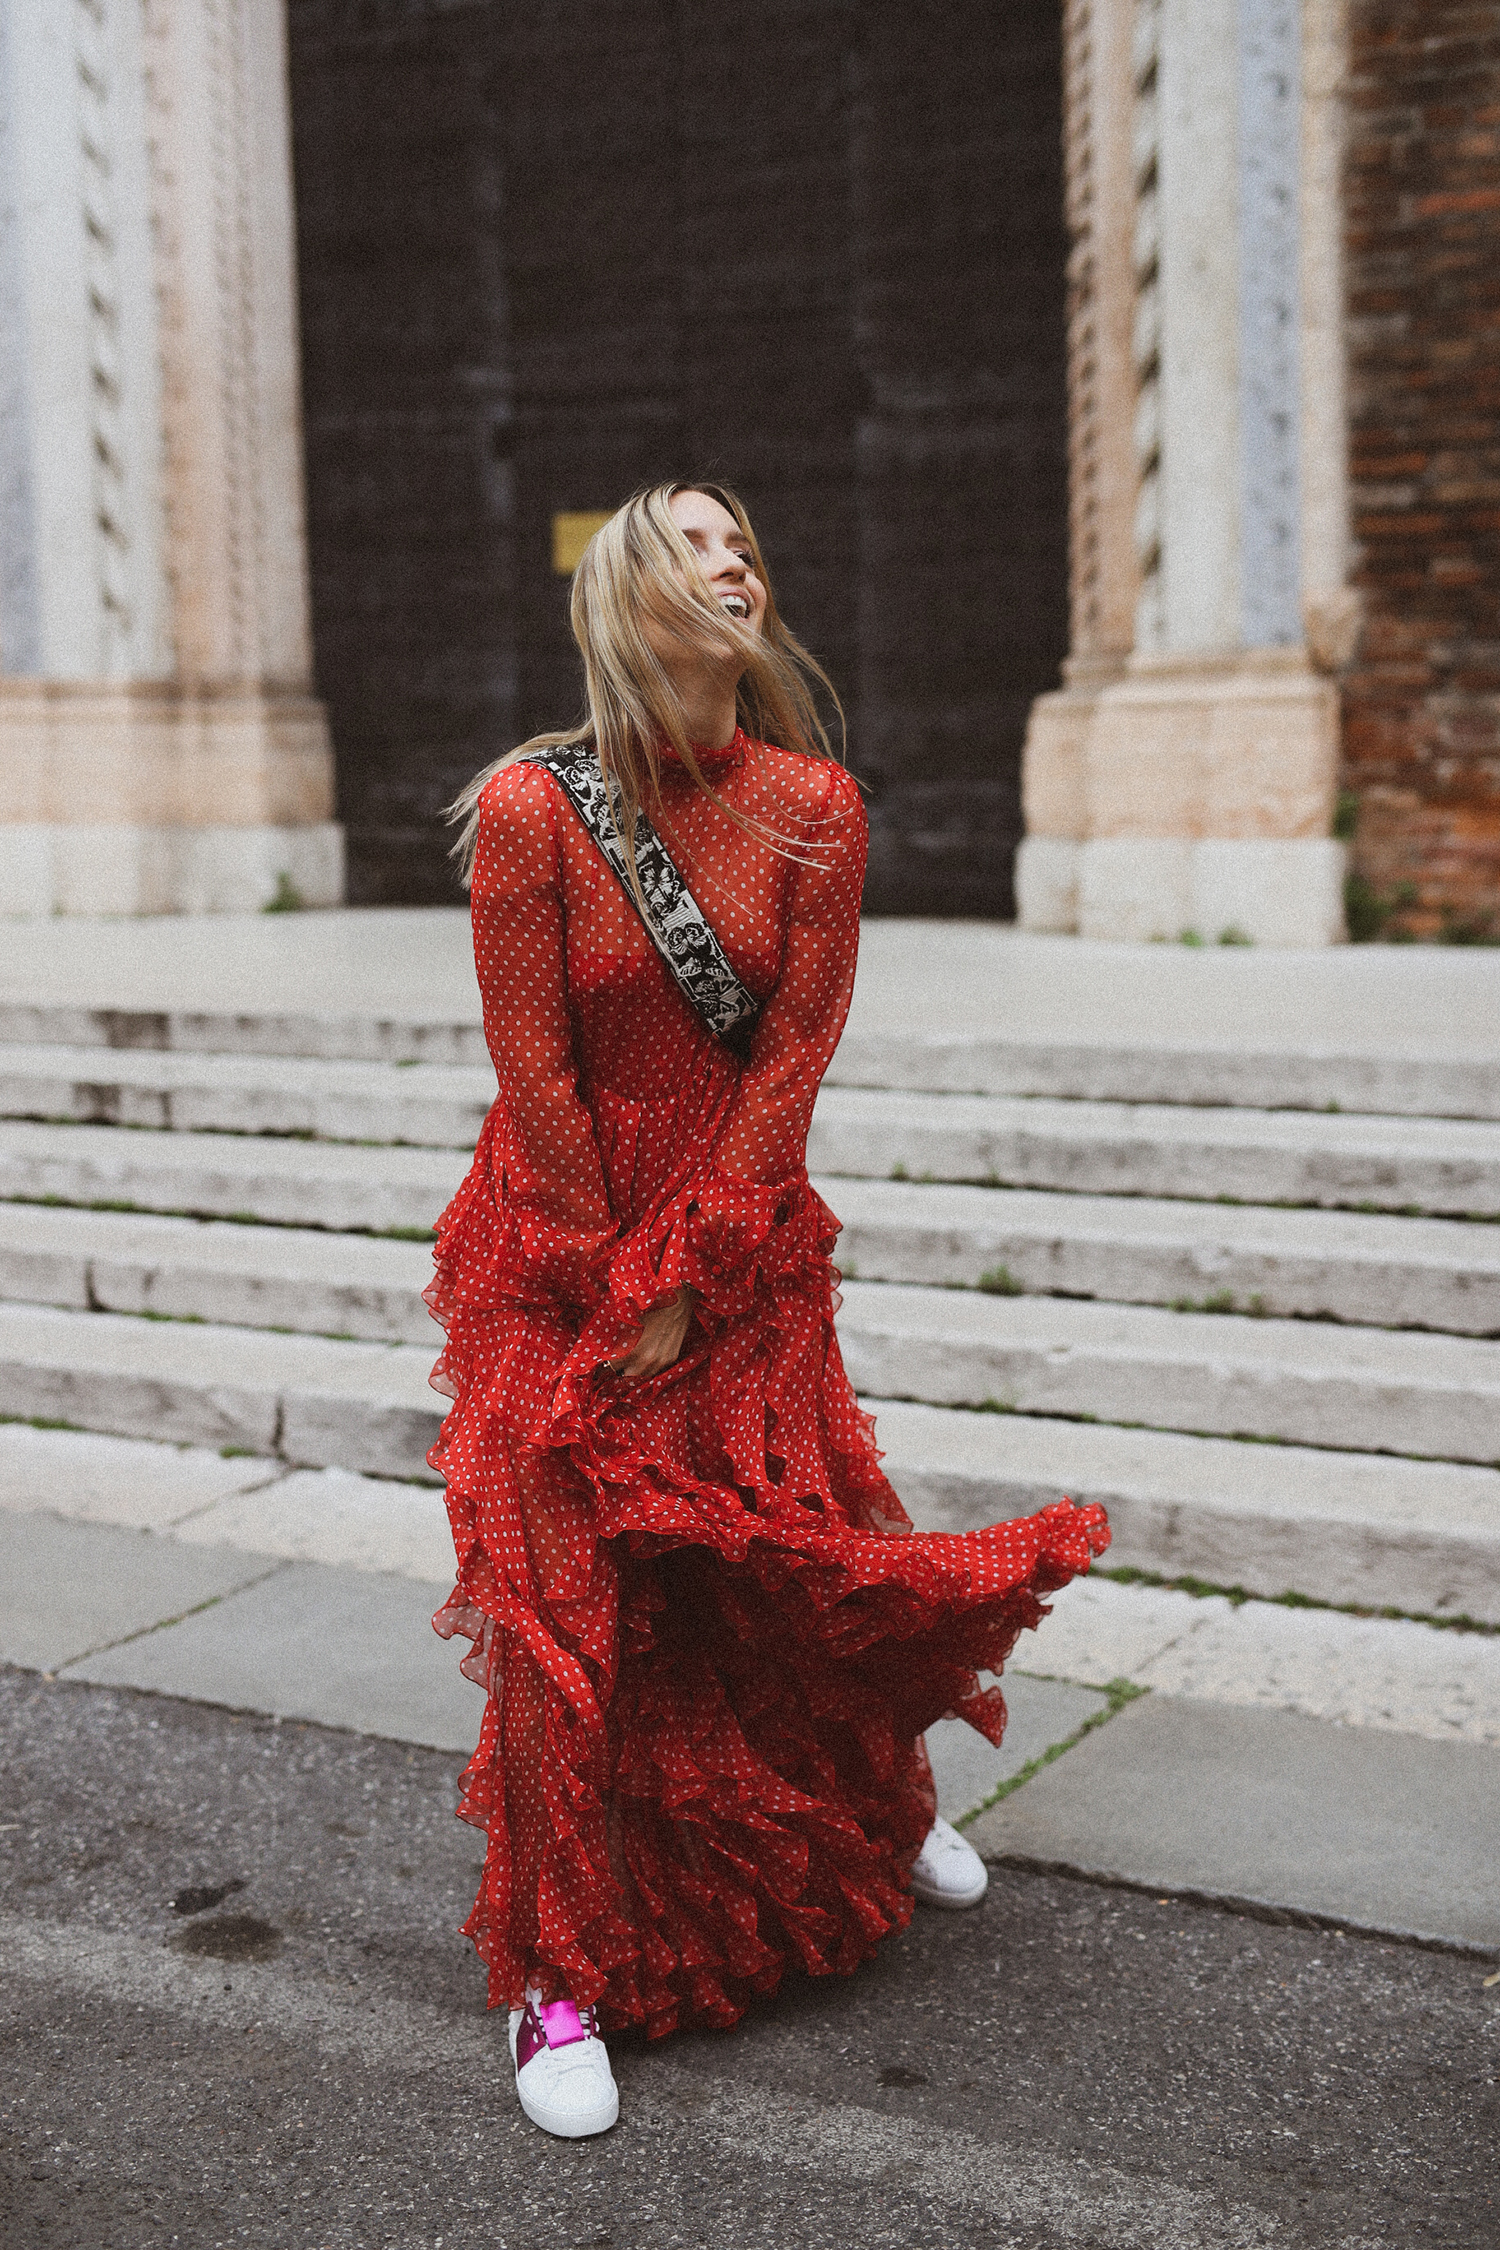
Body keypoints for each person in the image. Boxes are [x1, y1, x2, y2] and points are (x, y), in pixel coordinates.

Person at [428, 482, 1109, 2140]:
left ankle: (873, 1817)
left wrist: (699, 1274)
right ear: (626, 593)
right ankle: (554, 1977)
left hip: (741, 1252)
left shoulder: (816, 806)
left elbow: (793, 1054)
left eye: (745, 542)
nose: (735, 561)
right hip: (554, 1248)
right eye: (693, 542)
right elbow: (536, 1073)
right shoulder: (534, 812)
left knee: (786, 1560)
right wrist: (612, 1281)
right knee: (559, 1610)